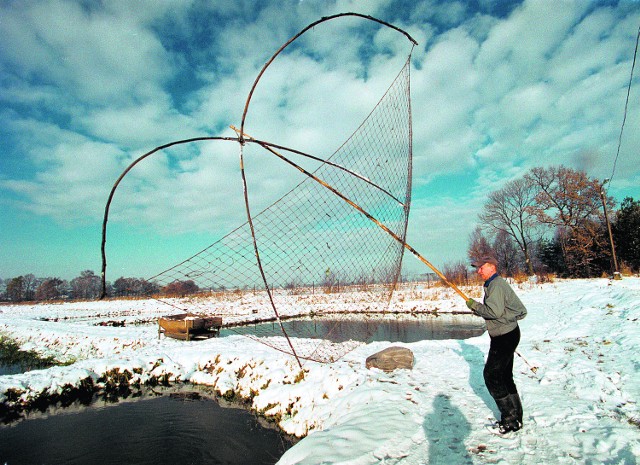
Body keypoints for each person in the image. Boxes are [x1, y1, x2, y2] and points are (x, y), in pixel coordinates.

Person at [466, 254, 527, 433]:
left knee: (492, 376)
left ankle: (510, 420)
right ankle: (516, 417)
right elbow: (498, 311)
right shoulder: (494, 284)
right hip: (506, 334)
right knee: (505, 376)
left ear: (491, 267)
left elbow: (494, 311)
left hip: (505, 336)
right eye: (477, 268)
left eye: (481, 267)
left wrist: (474, 306)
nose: (478, 271)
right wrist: (478, 308)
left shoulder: (496, 285)